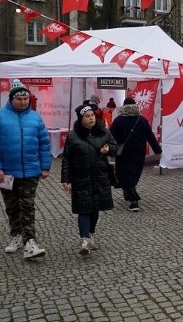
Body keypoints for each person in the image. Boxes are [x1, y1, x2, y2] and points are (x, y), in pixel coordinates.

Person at [0, 79, 51, 260]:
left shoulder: (35, 118)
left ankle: (30, 243)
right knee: (12, 207)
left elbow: (44, 144)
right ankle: (16, 236)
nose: (23, 102)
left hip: (30, 172)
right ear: (11, 99)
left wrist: (45, 166)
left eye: (26, 98)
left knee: (27, 207)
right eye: (19, 99)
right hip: (6, 174)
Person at [61, 104, 117, 255]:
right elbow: (67, 158)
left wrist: (109, 149)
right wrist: (65, 179)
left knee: (95, 208)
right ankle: (84, 239)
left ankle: (91, 234)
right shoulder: (73, 136)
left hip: (100, 176)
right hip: (81, 177)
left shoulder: (103, 131)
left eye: (92, 115)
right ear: (81, 119)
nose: (91, 118)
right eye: (87, 116)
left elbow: (114, 146)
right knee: (84, 209)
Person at [110, 97, 162, 211]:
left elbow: (111, 137)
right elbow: (150, 137)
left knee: (123, 175)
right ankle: (129, 193)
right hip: (138, 153)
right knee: (133, 175)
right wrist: (158, 151)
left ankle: (134, 200)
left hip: (123, 153)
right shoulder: (142, 120)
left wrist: (108, 150)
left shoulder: (118, 120)